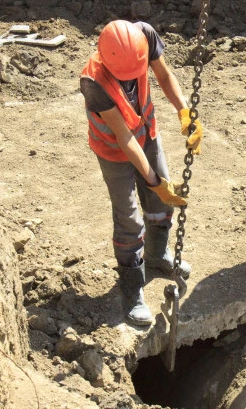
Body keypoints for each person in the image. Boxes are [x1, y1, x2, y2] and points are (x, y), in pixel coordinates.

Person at [80, 20, 203, 325]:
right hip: (112, 148)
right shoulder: (93, 82)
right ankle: (132, 287)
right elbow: (123, 138)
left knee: (161, 203)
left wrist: (184, 111)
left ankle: (157, 256)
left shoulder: (144, 37)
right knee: (129, 217)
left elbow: (163, 75)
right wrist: (153, 180)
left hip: (145, 131)